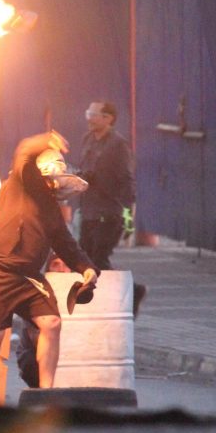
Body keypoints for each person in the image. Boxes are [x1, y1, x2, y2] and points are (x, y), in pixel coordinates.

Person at [0, 131, 98, 389]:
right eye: (55, 179)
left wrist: (87, 269)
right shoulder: (20, 183)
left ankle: (46, 391)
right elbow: (24, 151)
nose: (57, 186)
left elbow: (65, 243)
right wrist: (46, 140)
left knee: (51, 322)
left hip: (27, 277)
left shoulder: (51, 209)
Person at [77, 100, 146, 315]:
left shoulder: (118, 145)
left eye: (94, 114)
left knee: (98, 259)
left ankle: (133, 291)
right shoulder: (88, 140)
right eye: (88, 113)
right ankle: (107, 300)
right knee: (85, 260)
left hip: (109, 212)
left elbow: (127, 179)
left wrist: (128, 216)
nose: (89, 118)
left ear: (108, 118)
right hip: (89, 210)